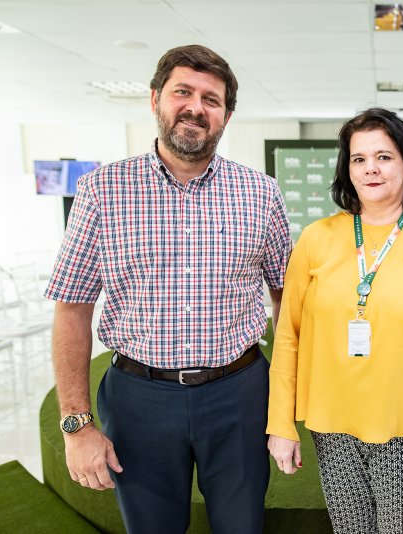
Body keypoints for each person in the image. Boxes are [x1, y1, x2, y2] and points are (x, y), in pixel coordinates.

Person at [45, 45, 291, 533]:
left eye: (211, 99)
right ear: (156, 99)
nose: (196, 107)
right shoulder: (102, 190)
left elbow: (287, 298)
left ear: (225, 115)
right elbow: (72, 310)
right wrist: (76, 424)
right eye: (183, 92)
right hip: (139, 398)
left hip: (240, 393)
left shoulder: (261, 193)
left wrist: (285, 402)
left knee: (242, 526)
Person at [267, 108, 403, 534]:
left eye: (383, 156)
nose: (370, 169)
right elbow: (287, 337)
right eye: (359, 158)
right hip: (332, 425)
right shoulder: (316, 239)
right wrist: (280, 423)